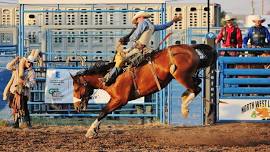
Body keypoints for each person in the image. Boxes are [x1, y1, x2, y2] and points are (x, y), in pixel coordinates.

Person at [104, 11, 182, 86]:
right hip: (145, 49)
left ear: (141, 17)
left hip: (137, 49)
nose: (137, 22)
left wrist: (125, 40)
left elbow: (135, 36)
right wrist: (173, 21)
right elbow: (164, 26)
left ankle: (108, 78)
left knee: (119, 59)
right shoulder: (152, 26)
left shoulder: (143, 23)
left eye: (137, 20)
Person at [3, 50, 39, 128]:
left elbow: (33, 83)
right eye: (28, 62)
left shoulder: (31, 72)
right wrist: (15, 60)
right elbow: (8, 66)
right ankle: (16, 123)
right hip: (14, 90)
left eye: (31, 63)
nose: (29, 64)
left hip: (23, 92)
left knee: (24, 108)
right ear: (25, 61)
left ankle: (27, 123)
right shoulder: (17, 67)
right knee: (14, 107)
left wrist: (24, 82)